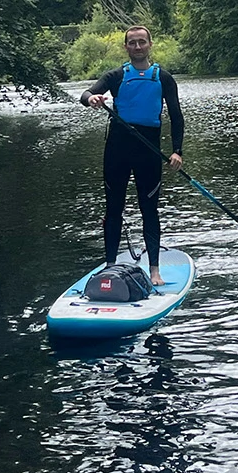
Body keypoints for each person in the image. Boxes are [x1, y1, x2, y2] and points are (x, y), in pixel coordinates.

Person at [83, 25, 185, 287]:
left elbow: (176, 116)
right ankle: (110, 267)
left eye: (142, 42)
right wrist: (92, 99)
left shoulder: (163, 78)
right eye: (132, 43)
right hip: (117, 150)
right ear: (126, 47)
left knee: (149, 209)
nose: (137, 47)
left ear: (150, 44)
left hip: (148, 152)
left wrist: (177, 151)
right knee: (113, 208)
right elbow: (86, 94)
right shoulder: (116, 76)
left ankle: (154, 270)